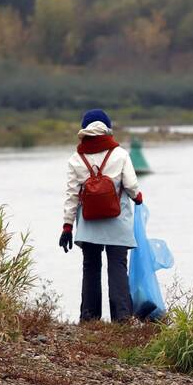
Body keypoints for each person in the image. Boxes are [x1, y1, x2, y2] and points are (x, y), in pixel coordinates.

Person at [59, 109, 143, 322]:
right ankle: (122, 318)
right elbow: (132, 186)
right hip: (117, 221)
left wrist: (67, 227)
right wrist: (139, 198)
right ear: (107, 128)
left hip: (89, 223)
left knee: (91, 267)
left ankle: (89, 318)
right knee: (117, 267)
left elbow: (71, 195)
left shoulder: (75, 159)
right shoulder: (120, 154)